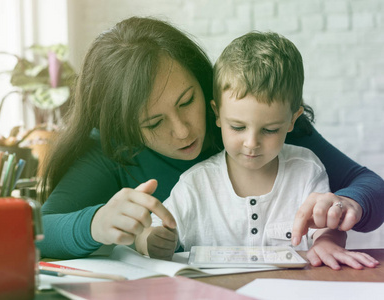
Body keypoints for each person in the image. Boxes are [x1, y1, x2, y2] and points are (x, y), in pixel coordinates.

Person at [37, 16, 384, 259]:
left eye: (188, 101)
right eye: (154, 122)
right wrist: (95, 223)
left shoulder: (255, 116)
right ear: (124, 127)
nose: (183, 130)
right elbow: (39, 231)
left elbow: (368, 185)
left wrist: (350, 204)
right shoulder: (110, 147)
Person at [135, 31, 379, 270]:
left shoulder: (306, 169)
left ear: (293, 120)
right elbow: (152, 230)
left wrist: (328, 240)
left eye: (270, 130)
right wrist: (152, 241)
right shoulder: (195, 184)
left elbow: (324, 224)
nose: (251, 143)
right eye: (237, 127)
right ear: (217, 114)